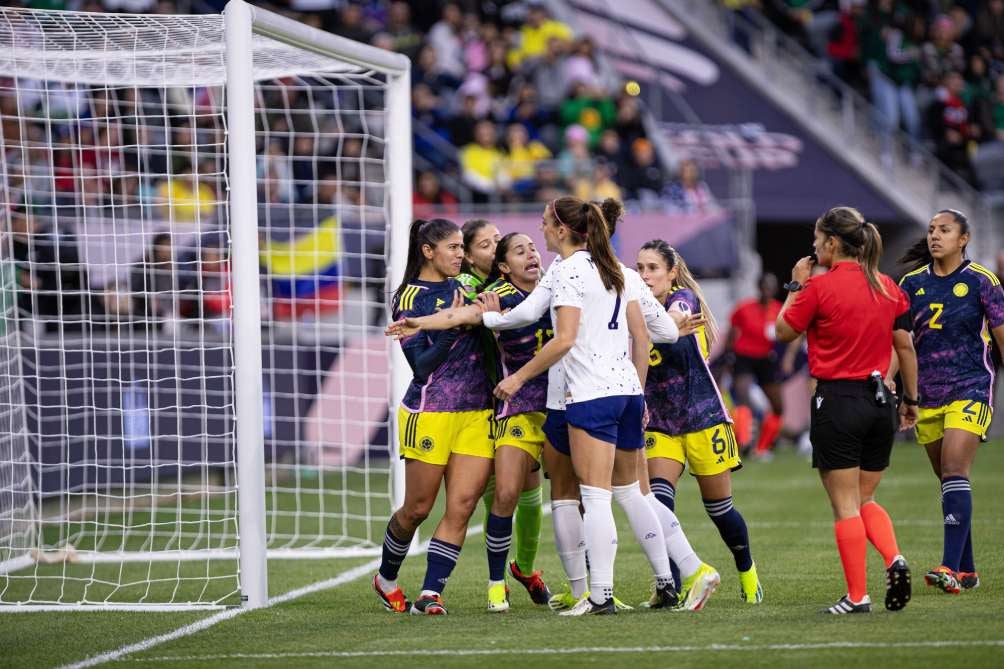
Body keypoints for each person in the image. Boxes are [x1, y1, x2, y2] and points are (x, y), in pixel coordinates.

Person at [490, 196, 665, 615]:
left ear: (564, 230)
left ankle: (599, 594)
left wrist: (517, 376)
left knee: (596, 496)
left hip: (590, 394)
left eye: (546, 223)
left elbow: (564, 339)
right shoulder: (616, 268)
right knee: (630, 493)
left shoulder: (568, 271)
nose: (542, 230)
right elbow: (645, 335)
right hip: (625, 391)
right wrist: (487, 318)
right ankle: (667, 580)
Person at [775, 206, 917, 615]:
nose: (814, 247)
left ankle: (857, 596)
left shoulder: (819, 287)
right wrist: (911, 401)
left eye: (818, 240)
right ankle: (894, 558)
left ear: (833, 243)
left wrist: (795, 285)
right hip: (880, 402)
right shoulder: (889, 286)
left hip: (838, 401)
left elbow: (783, 332)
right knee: (866, 497)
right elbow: (904, 347)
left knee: (845, 506)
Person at [373, 218, 494, 616]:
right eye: (454, 248)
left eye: (463, 247)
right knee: (418, 508)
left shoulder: (469, 286)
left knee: (461, 505)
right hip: (430, 410)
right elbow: (422, 366)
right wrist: (449, 329)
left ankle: (430, 593)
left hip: (477, 411)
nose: (462, 254)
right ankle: (386, 577)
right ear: (429, 251)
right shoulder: (409, 298)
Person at [636, 240, 761, 606]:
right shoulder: (634, 308)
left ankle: (747, 569)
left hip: (702, 416)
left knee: (720, 510)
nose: (645, 276)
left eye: (653, 268)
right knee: (658, 503)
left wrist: (660, 323)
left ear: (671, 273)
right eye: (640, 268)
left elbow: (674, 319)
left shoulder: (683, 299)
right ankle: (669, 586)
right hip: (659, 422)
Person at [897, 209, 1004, 594]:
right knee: (949, 482)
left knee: (955, 470)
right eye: (930, 230)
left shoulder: (982, 282)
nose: (934, 236)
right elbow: (902, 342)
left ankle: (948, 567)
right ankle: (969, 571)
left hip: (972, 388)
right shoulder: (910, 284)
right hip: (928, 396)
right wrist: (896, 388)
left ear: (964, 239)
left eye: (944, 230)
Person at [453, 219, 551, 606]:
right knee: (506, 492)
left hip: (563, 402)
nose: (531, 253)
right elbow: (465, 317)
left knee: (563, 496)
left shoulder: (557, 284)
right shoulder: (493, 294)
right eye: (488, 244)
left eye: (532, 246)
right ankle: (496, 583)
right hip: (513, 402)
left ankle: (530, 569)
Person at [727, 274, 785, 457]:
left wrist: (788, 358)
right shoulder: (744, 308)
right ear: (758, 287)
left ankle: (762, 448)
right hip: (744, 357)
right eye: (764, 287)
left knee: (778, 405)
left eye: (771, 287)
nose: (767, 291)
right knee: (743, 398)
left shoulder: (778, 310)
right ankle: (743, 444)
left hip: (766, 360)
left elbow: (790, 335)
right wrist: (728, 357)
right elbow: (732, 333)